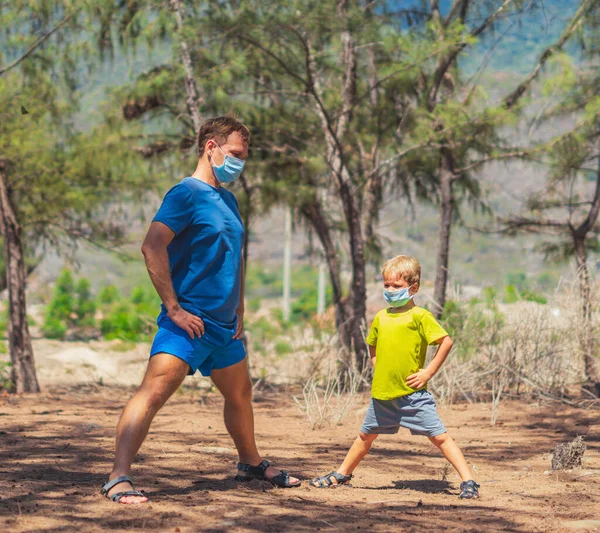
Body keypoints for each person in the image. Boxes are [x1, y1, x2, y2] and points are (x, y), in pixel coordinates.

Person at [101, 116, 301, 504]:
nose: (240, 164)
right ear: (211, 147)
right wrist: (173, 308)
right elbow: (152, 246)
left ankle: (250, 463)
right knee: (153, 393)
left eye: (244, 157)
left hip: (225, 326)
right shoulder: (185, 194)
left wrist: (240, 304)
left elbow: (235, 254)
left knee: (240, 393)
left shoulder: (228, 199)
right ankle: (118, 477)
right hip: (189, 322)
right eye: (236, 154)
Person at [309, 255, 479, 499]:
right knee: (365, 437)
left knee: (440, 437)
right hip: (383, 395)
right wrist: (378, 365)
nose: (390, 290)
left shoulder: (420, 316)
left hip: (413, 396)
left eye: (397, 286)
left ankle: (469, 481)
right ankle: (342, 474)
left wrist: (428, 371)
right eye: (387, 285)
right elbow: (372, 345)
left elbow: (446, 341)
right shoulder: (381, 317)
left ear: (414, 288)